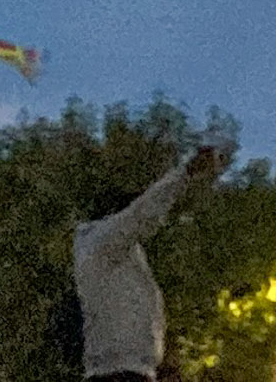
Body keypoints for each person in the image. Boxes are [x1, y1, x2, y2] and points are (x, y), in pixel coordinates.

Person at [72, 142, 228, 382]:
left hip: (127, 371)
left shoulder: (118, 257)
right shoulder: (103, 244)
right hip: (119, 375)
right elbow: (142, 213)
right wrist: (185, 174)